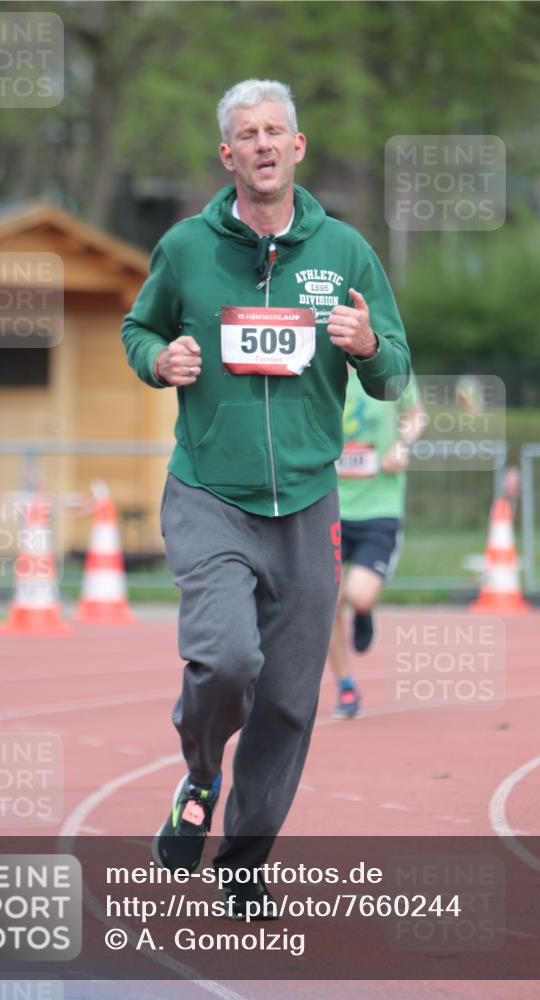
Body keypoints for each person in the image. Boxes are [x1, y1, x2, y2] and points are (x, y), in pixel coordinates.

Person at [121, 79, 411, 916]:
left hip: (310, 503)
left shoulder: (345, 252)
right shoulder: (184, 247)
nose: (261, 145)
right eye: (245, 134)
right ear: (227, 155)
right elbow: (139, 328)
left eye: (273, 131)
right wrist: (157, 360)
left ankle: (243, 863)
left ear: (297, 147)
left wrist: (366, 345)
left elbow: (394, 369)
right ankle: (201, 776)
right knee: (225, 661)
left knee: (287, 697)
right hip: (210, 489)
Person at [327, 371, 425, 719]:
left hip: (379, 507)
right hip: (329, 505)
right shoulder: (318, 362)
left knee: (359, 594)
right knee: (325, 602)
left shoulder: (388, 366)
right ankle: (346, 686)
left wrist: (402, 445)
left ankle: (364, 613)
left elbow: (415, 414)